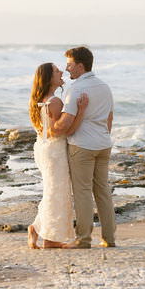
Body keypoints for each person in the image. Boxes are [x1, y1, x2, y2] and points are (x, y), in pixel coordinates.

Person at [56, 46, 116, 248]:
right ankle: (109, 238)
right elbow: (109, 117)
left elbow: (65, 124)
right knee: (103, 192)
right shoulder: (105, 86)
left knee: (82, 192)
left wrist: (51, 124)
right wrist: (102, 136)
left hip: (82, 146)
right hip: (103, 144)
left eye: (70, 65)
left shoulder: (77, 90)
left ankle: (83, 239)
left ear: (80, 66)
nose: (66, 69)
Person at [27, 62, 88, 249]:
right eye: (56, 71)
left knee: (52, 191)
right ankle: (51, 239)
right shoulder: (54, 102)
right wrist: (81, 112)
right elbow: (63, 130)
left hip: (43, 148)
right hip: (55, 151)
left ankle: (38, 228)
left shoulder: (40, 100)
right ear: (48, 78)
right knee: (58, 192)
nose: (61, 71)